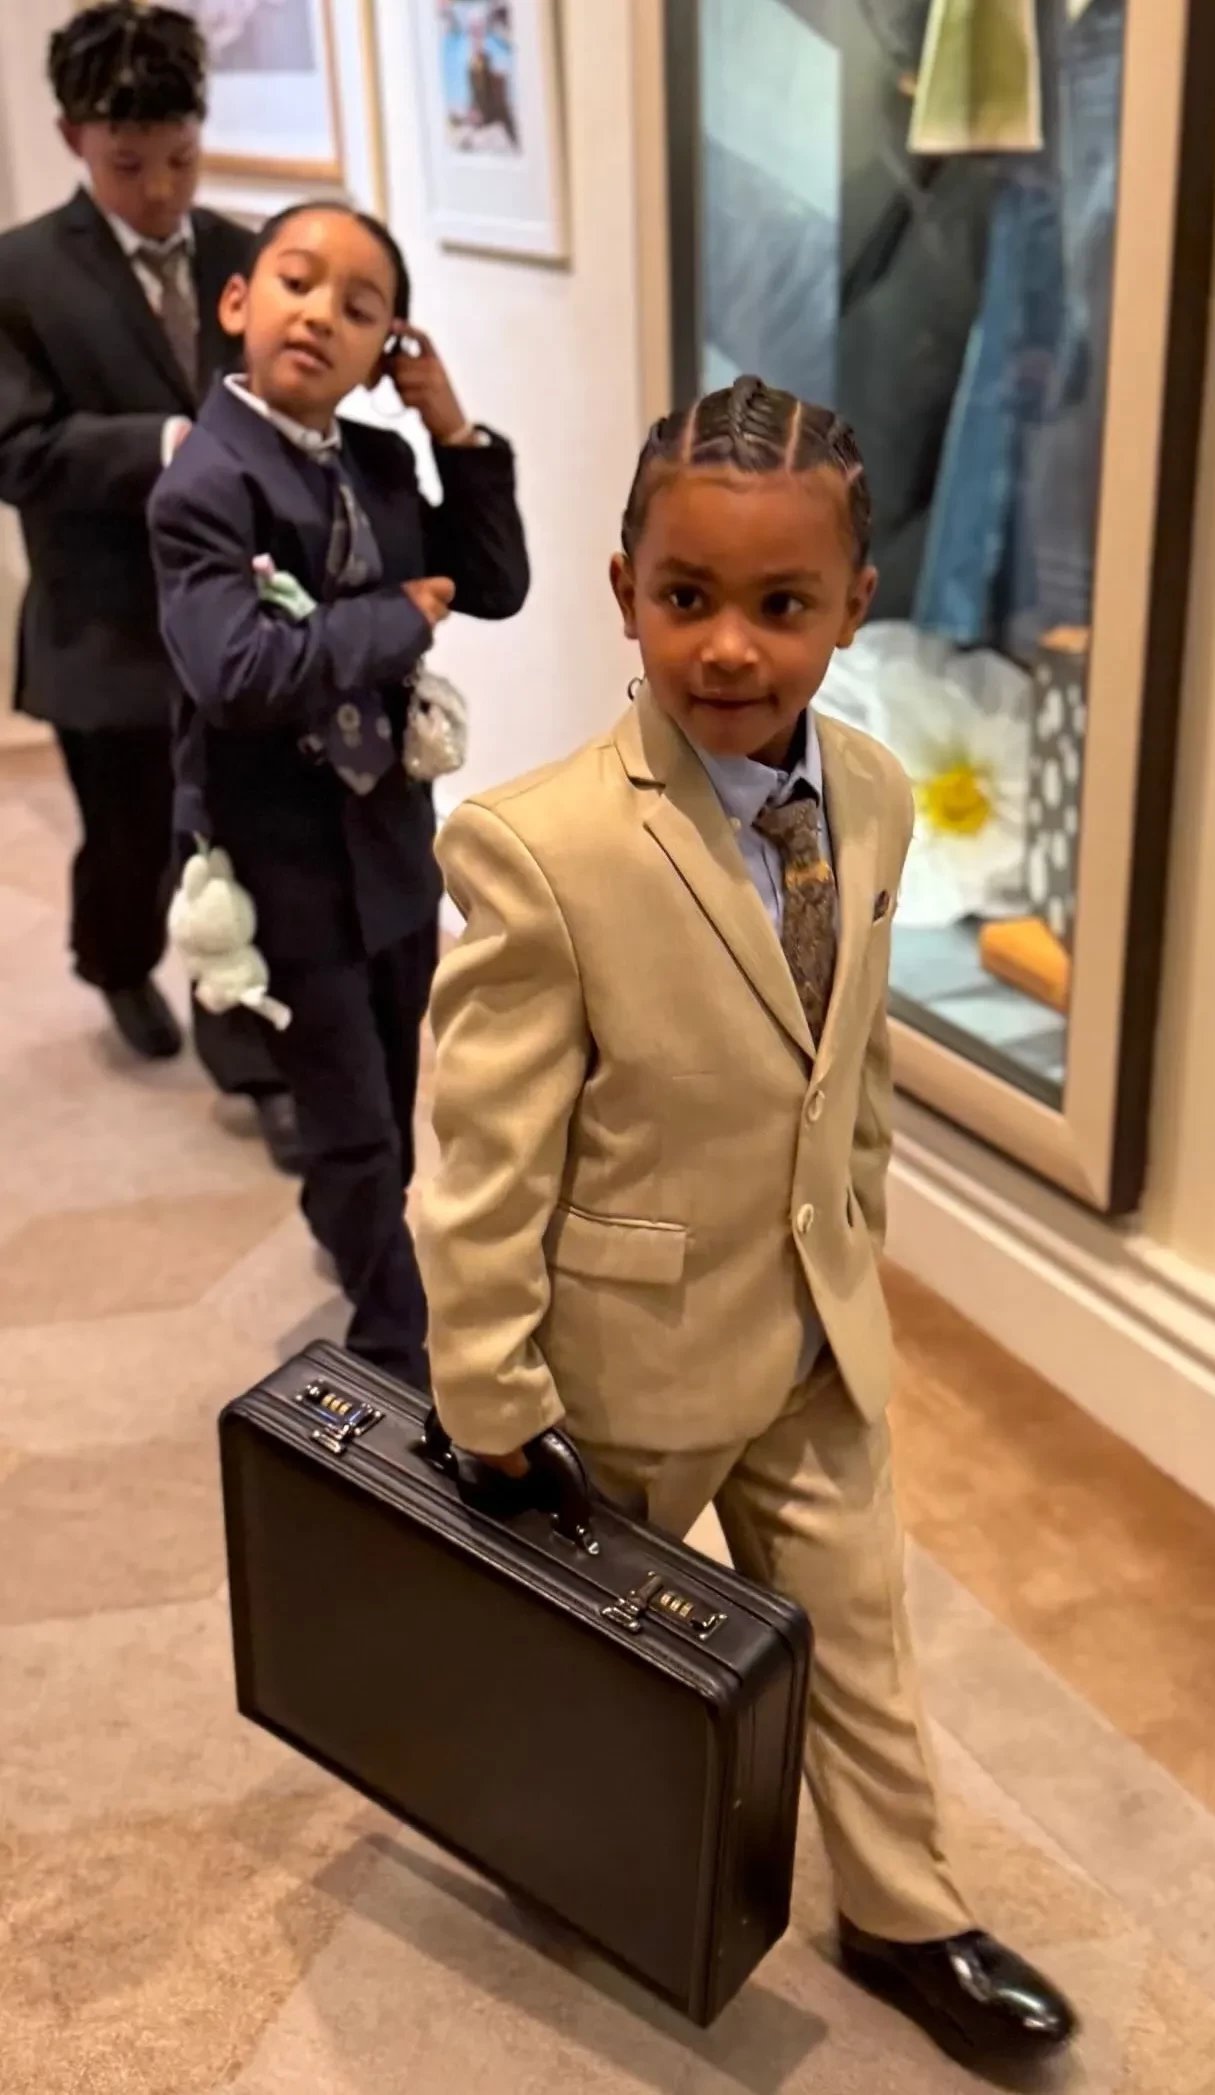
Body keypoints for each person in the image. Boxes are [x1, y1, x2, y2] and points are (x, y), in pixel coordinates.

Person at [418, 376, 1077, 2072]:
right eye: (686, 596)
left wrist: (853, 1240)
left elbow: (848, 1063)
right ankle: (561, 1844)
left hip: (811, 1334)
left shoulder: (870, 794)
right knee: (597, 1657)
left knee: (860, 1630)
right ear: (623, 587)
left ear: (854, 606)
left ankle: (906, 1911)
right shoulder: (539, 847)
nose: (728, 646)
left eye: (782, 604)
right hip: (623, 1364)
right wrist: (491, 1398)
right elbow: (483, 1164)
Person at [147, 200, 528, 1391]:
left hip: (388, 835)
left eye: (359, 308)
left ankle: (350, 1216)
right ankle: (391, 1335)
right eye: (297, 283)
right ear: (238, 302)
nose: (320, 314)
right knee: (348, 1101)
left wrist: (449, 425)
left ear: (382, 354)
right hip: (278, 848)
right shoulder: (203, 483)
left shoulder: (383, 460)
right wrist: (391, 618)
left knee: (395, 1068)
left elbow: (495, 581)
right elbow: (237, 672)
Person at [0, 1, 298, 1168]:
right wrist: (168, 444)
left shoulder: (245, 255)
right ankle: (117, 961)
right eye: (131, 165)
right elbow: (16, 451)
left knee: (233, 845)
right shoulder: (18, 274)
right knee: (127, 838)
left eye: (182, 158)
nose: (163, 190)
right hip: (102, 624)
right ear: (74, 138)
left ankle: (256, 1059)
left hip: (237, 617)